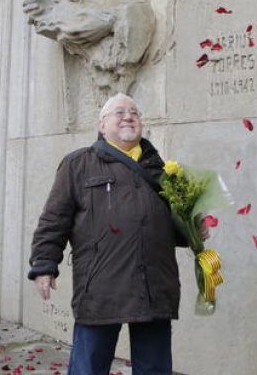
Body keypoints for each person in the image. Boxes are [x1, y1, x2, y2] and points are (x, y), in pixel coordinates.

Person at [28, 94, 185, 375]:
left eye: (134, 112)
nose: (128, 116)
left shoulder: (160, 170)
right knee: (89, 367)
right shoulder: (78, 164)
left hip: (153, 283)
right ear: (102, 125)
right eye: (119, 112)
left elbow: (173, 226)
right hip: (100, 284)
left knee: (155, 368)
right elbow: (54, 219)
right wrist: (44, 265)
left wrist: (195, 229)